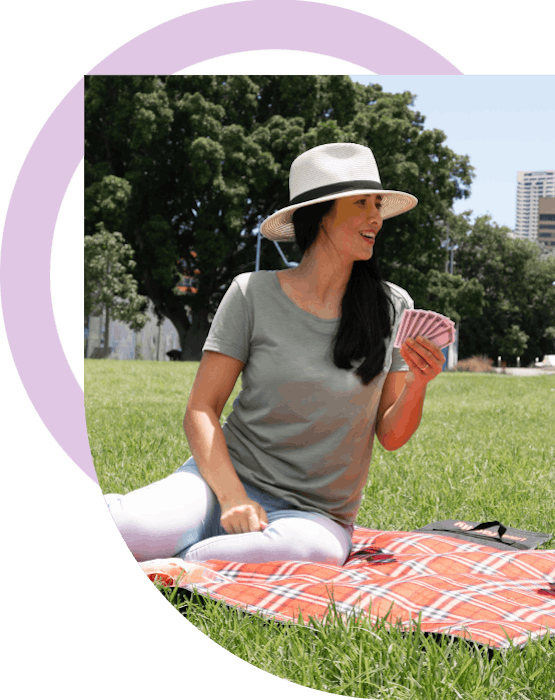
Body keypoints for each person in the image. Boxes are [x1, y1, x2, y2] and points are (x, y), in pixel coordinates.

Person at [105, 143, 446, 565]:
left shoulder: (393, 306)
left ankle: (176, 564)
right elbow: (201, 409)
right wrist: (231, 498)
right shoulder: (251, 293)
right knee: (130, 528)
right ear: (319, 214)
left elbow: (392, 436)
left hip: (317, 515)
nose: (376, 217)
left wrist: (418, 384)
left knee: (310, 554)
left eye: (377, 203)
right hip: (220, 482)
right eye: (361, 203)